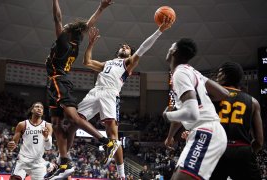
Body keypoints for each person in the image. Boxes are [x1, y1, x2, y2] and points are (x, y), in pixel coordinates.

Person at [76, 16, 173, 179]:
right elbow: (86, 62)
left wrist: (159, 31)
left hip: (110, 93)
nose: (124, 47)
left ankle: (121, 175)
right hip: (95, 91)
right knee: (75, 118)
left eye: (127, 47)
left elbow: (142, 48)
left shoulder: (128, 63)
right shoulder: (107, 63)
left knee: (113, 135)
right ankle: (101, 144)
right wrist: (91, 44)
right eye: (123, 46)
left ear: (130, 54)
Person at [44, 0, 115, 179]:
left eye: (66, 26)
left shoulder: (64, 41)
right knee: (57, 123)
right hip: (55, 82)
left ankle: (106, 142)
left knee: (72, 117)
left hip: (59, 80)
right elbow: (88, 24)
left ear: (68, 31)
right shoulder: (75, 40)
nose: (64, 25)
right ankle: (64, 161)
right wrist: (101, 8)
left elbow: (57, 18)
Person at [162, 38, 230, 180]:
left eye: (171, 46)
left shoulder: (179, 73)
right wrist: (170, 137)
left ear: (173, 51)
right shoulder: (193, 72)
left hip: (206, 131)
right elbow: (224, 93)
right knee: (176, 176)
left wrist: (167, 115)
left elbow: (191, 114)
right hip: (205, 131)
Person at [210, 62, 264, 180]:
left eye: (219, 74)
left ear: (224, 75)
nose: (217, 77)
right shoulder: (253, 102)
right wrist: (246, 153)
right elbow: (259, 141)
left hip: (217, 150)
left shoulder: (211, 97)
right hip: (242, 150)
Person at [7, 102, 53, 180]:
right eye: (37, 107)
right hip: (23, 160)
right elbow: (14, 143)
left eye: (41, 108)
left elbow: (48, 147)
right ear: (32, 110)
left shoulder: (47, 125)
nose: (39, 109)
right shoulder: (22, 124)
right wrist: (11, 146)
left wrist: (46, 137)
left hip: (38, 162)